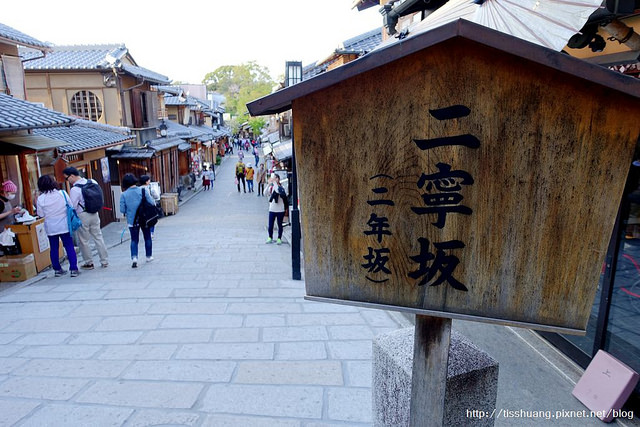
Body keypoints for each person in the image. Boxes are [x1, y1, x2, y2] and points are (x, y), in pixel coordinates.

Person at [63, 167, 109, 270]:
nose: (67, 181)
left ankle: (89, 262)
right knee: (98, 236)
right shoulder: (92, 181)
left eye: (67, 178)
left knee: (84, 240)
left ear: (72, 176)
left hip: (83, 215)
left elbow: (73, 206)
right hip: (95, 213)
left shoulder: (75, 189)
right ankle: (104, 260)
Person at [36, 175, 79, 277]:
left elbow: (40, 214)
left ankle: (57, 269)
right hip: (64, 224)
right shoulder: (62, 194)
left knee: (54, 248)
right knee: (69, 246)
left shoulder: (41, 199)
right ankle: (73, 268)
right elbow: (71, 206)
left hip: (51, 226)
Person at [119, 173, 155, 268]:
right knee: (147, 237)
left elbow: (122, 210)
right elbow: (151, 202)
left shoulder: (124, 195)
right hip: (145, 219)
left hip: (132, 220)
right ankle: (148, 256)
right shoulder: (143, 191)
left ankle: (134, 257)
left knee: (134, 239)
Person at [266, 173, 287, 245]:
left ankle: (279, 238)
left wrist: (274, 182)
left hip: (280, 210)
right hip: (272, 209)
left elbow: (278, 191)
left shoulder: (281, 188)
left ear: (278, 179)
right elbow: (265, 193)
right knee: (270, 224)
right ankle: (270, 237)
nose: (275, 179)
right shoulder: (271, 188)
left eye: (276, 178)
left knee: (279, 224)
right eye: (274, 178)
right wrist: (269, 184)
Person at [139, 175, 160, 239]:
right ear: (146, 182)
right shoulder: (150, 188)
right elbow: (156, 196)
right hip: (150, 207)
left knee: (143, 219)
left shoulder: (138, 189)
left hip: (141, 208)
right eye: (148, 180)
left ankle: (145, 232)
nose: (149, 181)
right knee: (152, 219)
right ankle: (151, 233)